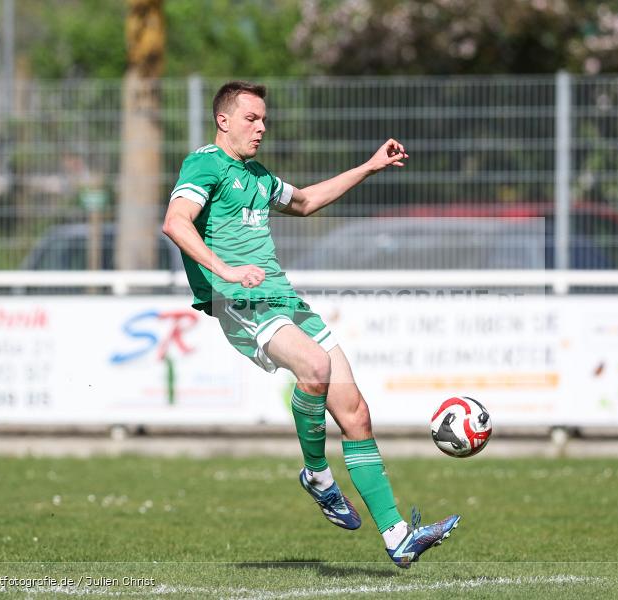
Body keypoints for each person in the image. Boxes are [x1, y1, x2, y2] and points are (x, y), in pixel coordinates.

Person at [162, 81, 460, 568]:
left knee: (356, 411)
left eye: (264, 119)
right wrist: (226, 271)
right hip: (240, 299)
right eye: (251, 119)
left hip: (282, 296)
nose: (261, 127)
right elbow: (176, 222)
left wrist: (369, 166)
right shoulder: (205, 164)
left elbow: (302, 203)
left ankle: (397, 536)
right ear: (223, 121)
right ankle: (318, 475)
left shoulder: (255, 175)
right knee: (315, 366)